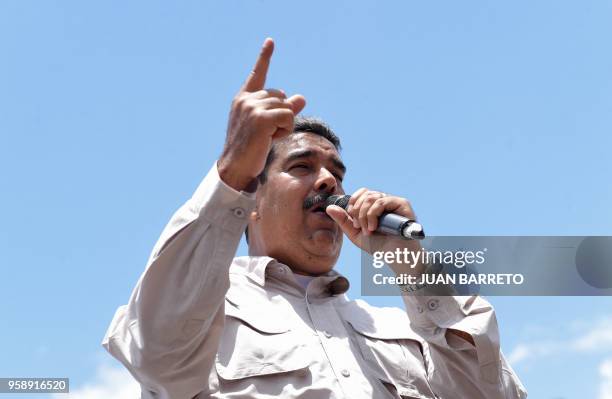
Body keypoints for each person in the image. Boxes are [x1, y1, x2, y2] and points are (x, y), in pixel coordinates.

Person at [103, 38, 527, 399]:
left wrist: (414, 268)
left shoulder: (403, 328)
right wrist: (232, 169)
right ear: (251, 199)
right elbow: (157, 355)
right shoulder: (204, 307)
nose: (327, 180)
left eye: (336, 173)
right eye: (302, 167)